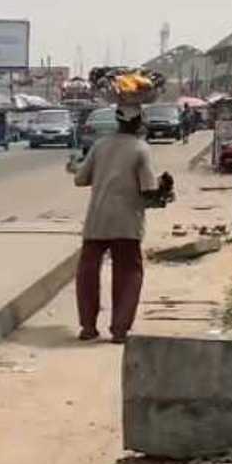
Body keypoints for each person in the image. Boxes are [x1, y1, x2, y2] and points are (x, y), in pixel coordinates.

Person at [72, 104, 166, 344]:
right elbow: (148, 189)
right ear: (139, 123)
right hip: (127, 223)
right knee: (128, 272)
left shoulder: (100, 145)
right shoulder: (140, 149)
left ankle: (88, 327)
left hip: (97, 221)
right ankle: (120, 329)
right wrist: (164, 190)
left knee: (87, 272)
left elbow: (80, 178)